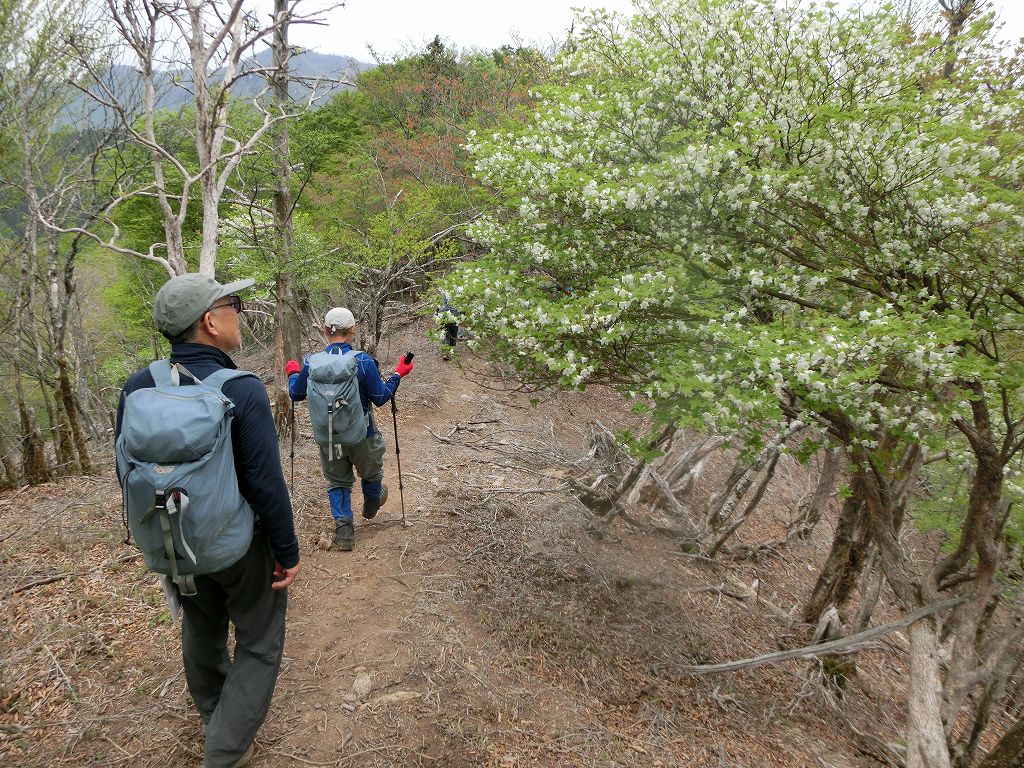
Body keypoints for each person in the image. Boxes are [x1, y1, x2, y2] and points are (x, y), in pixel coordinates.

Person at [115, 274, 301, 768]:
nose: (238, 312)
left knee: (201, 624)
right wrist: (287, 551)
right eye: (232, 304)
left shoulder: (138, 385)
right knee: (259, 641)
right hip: (238, 546)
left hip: (174, 544)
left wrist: (157, 534)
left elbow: (126, 470)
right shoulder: (240, 388)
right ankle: (225, 749)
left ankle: (214, 715)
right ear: (209, 321)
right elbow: (265, 483)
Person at [286, 307, 414, 551]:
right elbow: (381, 397)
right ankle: (371, 504)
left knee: (337, 482)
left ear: (325, 330)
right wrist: (398, 373)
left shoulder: (311, 363)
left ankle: (344, 532)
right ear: (353, 331)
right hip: (362, 436)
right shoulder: (362, 361)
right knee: (372, 473)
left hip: (329, 439)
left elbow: (296, 393)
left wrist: (293, 373)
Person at [437, 292, 459, 360]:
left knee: (447, 332)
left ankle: (447, 351)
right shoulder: (455, 290)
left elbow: (439, 304)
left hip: (446, 313)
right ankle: (448, 351)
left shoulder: (443, 291)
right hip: (451, 314)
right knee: (452, 332)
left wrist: (437, 312)